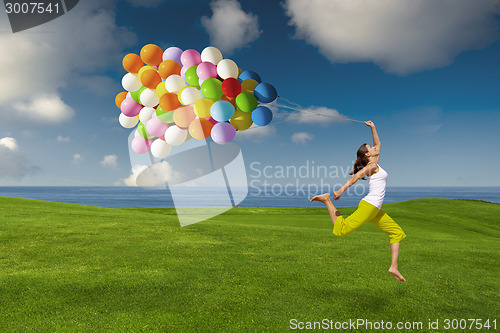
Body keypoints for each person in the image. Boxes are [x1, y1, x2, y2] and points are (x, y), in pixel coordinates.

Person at [310, 121, 407, 282]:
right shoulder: (372, 166)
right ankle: (327, 200)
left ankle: (393, 267)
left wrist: (373, 127)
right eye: (371, 148)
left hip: (375, 210)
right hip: (369, 206)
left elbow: (378, 143)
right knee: (342, 230)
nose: (375, 148)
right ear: (368, 155)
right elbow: (355, 177)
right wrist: (340, 190)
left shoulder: (376, 162)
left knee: (397, 233)